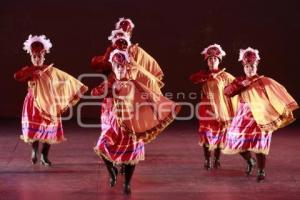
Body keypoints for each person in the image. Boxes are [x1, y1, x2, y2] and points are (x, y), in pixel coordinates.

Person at [92, 50, 180, 194]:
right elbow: (95, 92)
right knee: (102, 147)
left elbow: (148, 97)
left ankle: (127, 183)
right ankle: (112, 171)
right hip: (113, 124)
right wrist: (106, 89)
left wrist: (158, 110)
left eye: (121, 66)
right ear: (113, 67)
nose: (119, 68)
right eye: (116, 65)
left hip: (131, 124)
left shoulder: (134, 84)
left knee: (130, 154)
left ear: (126, 66)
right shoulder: (110, 83)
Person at [223, 47, 299, 182]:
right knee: (235, 141)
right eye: (246, 66)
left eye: (251, 66)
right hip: (243, 116)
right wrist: (241, 84)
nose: (249, 69)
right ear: (243, 67)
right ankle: (250, 161)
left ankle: (261, 170)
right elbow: (227, 92)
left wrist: (281, 109)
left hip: (261, 116)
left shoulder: (264, 81)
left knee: (259, 144)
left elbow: (277, 94)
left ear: (256, 66)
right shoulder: (239, 81)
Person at [14, 35, 88, 166]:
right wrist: (32, 74)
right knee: (35, 130)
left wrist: (78, 87)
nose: (37, 59)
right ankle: (34, 150)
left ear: (44, 56)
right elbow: (17, 76)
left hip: (49, 103)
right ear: (31, 57)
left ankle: (44, 155)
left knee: (49, 130)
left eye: (39, 57)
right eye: (34, 57)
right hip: (34, 103)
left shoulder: (51, 70)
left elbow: (66, 79)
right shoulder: (28, 69)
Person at [190, 44, 238, 170]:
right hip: (206, 109)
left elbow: (236, 87)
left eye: (215, 59)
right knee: (206, 134)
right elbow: (193, 79)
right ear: (207, 61)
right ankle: (207, 160)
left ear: (219, 60)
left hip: (221, 108)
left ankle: (217, 159)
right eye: (210, 59)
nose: (212, 61)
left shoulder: (225, 76)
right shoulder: (203, 74)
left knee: (219, 135)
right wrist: (208, 76)